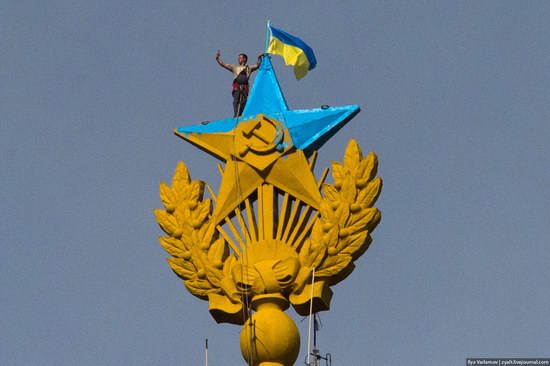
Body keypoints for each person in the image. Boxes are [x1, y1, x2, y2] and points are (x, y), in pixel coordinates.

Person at [216, 50, 262, 117]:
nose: (239, 59)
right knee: (236, 101)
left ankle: (242, 115)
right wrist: (217, 58)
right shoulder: (234, 67)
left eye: (240, 57)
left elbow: (258, 65)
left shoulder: (248, 68)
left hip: (244, 88)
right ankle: (236, 115)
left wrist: (259, 57)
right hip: (236, 88)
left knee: (244, 102)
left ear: (244, 59)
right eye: (238, 58)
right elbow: (224, 65)